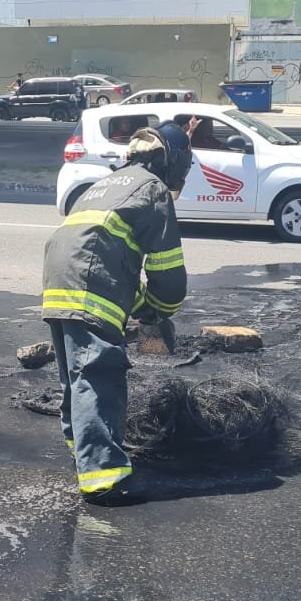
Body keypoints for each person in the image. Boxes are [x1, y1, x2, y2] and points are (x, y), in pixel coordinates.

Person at [42, 115, 197, 505]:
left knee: (75, 376)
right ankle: (103, 478)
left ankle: (82, 451)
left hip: (59, 280)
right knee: (99, 374)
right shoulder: (153, 189)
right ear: (172, 162)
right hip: (91, 283)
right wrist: (162, 311)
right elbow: (167, 273)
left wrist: (143, 309)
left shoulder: (106, 183)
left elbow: (116, 263)